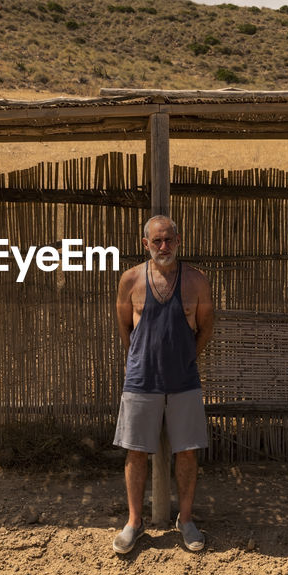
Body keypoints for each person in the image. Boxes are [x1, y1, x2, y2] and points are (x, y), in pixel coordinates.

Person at [111, 214, 214, 554]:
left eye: (169, 239)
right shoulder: (130, 280)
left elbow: (206, 330)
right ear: (145, 244)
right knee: (136, 451)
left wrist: (184, 359)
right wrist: (143, 359)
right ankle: (134, 522)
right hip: (141, 381)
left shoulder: (196, 282)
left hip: (184, 381)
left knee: (186, 452)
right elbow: (126, 328)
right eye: (157, 241)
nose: (164, 246)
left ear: (179, 239)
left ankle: (185, 520)